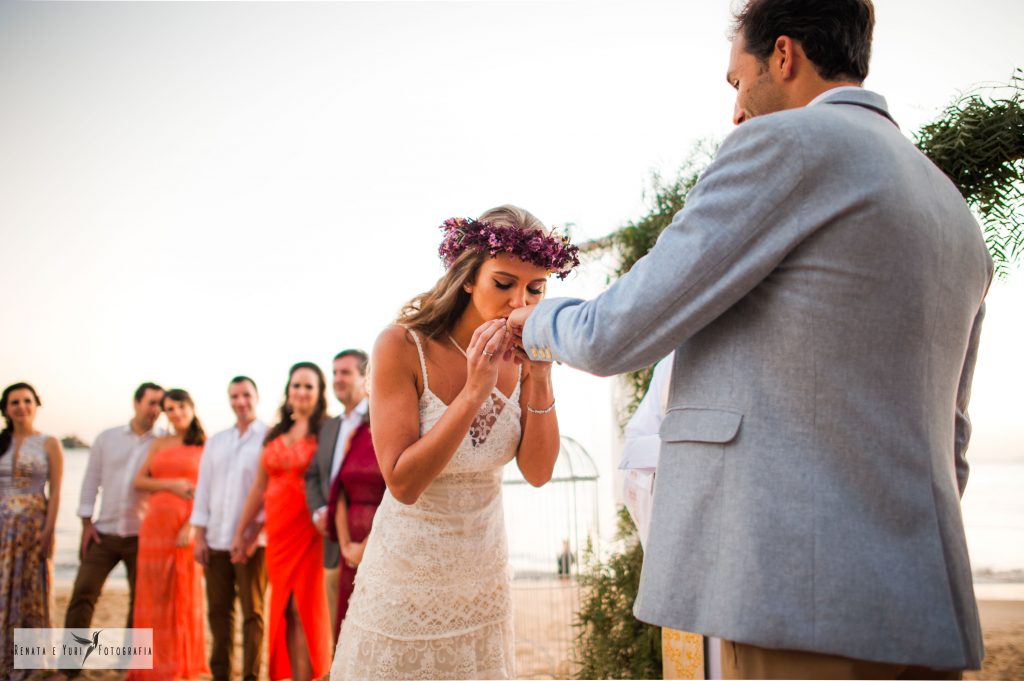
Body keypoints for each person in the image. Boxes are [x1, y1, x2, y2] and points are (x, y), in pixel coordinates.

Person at [509, 1, 992, 677]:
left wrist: (535, 322)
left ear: (784, 55)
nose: (736, 109)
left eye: (737, 80)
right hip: (920, 605)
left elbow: (617, 331)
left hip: (795, 594)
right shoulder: (952, 210)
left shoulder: (786, 145)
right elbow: (953, 442)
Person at [330, 205, 577, 680]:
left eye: (535, 289)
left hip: (484, 579)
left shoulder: (524, 354)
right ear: (468, 278)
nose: (518, 302)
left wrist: (540, 376)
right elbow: (402, 482)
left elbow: (539, 472)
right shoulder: (401, 346)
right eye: (503, 284)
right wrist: (473, 391)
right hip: (405, 577)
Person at [232, 363, 332, 681]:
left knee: (305, 610)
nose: (301, 392)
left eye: (309, 387)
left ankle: (310, 676)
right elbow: (259, 488)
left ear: (319, 393)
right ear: (288, 392)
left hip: (309, 533)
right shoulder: (274, 434)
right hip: (278, 535)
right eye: (296, 386)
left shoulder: (327, 431)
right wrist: (242, 532)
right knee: (285, 610)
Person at [64, 382, 164, 645]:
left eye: (160, 404)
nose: (157, 409)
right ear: (136, 402)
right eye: (152, 402)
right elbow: (90, 481)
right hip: (103, 533)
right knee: (83, 591)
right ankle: (69, 666)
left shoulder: (163, 442)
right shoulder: (106, 438)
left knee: (140, 600)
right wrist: (86, 524)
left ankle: (129, 664)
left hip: (141, 536)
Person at [191, 376, 269, 681]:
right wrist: (199, 536)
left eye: (246, 395)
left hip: (253, 543)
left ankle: (250, 676)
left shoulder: (268, 437)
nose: (241, 402)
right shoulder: (216, 441)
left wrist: (251, 537)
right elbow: (203, 490)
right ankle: (220, 675)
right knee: (218, 614)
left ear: (256, 397)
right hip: (215, 540)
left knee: (253, 614)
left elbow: (268, 493)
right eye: (235, 396)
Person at [128, 389, 208, 680]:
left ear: (192, 406)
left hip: (183, 527)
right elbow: (139, 480)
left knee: (181, 595)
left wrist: (192, 526)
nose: (176, 413)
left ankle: (177, 664)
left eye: (181, 406)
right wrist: (173, 484)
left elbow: (208, 491)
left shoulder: (205, 444)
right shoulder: (160, 443)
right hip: (153, 527)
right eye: (170, 409)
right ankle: (151, 665)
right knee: (152, 596)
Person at [305, 349, 375, 640]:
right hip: (333, 540)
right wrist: (319, 509)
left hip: (371, 539)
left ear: (365, 377)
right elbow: (313, 475)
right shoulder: (328, 426)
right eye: (334, 373)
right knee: (338, 625)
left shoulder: (379, 416)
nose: (337, 379)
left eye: (345, 373)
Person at [0, 383, 63, 681]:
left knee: (32, 592)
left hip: (34, 526)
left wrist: (49, 531)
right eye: (15, 402)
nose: (21, 406)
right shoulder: (1, 442)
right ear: (6, 408)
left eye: (27, 400)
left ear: (36, 404)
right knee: (4, 592)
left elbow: (56, 492)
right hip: (3, 528)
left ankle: (34, 662)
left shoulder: (50, 443)